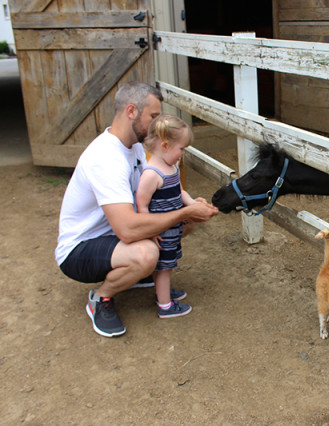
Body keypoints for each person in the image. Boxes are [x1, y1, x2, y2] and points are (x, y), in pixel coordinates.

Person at [55, 81, 218, 337]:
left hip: (111, 235)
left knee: (179, 226)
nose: (157, 125)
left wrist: (188, 206)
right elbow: (129, 231)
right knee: (146, 253)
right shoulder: (106, 157)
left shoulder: (135, 149)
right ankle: (101, 298)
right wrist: (185, 212)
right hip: (80, 249)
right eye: (153, 116)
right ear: (131, 111)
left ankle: (140, 275)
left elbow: (154, 194)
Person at [136, 114, 204, 318]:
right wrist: (150, 232)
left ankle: (162, 293)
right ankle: (165, 305)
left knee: (167, 264)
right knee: (164, 268)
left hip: (172, 229)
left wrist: (194, 204)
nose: (182, 154)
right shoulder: (152, 174)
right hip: (162, 230)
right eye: (181, 149)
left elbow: (179, 191)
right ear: (165, 146)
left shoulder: (171, 167)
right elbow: (142, 204)